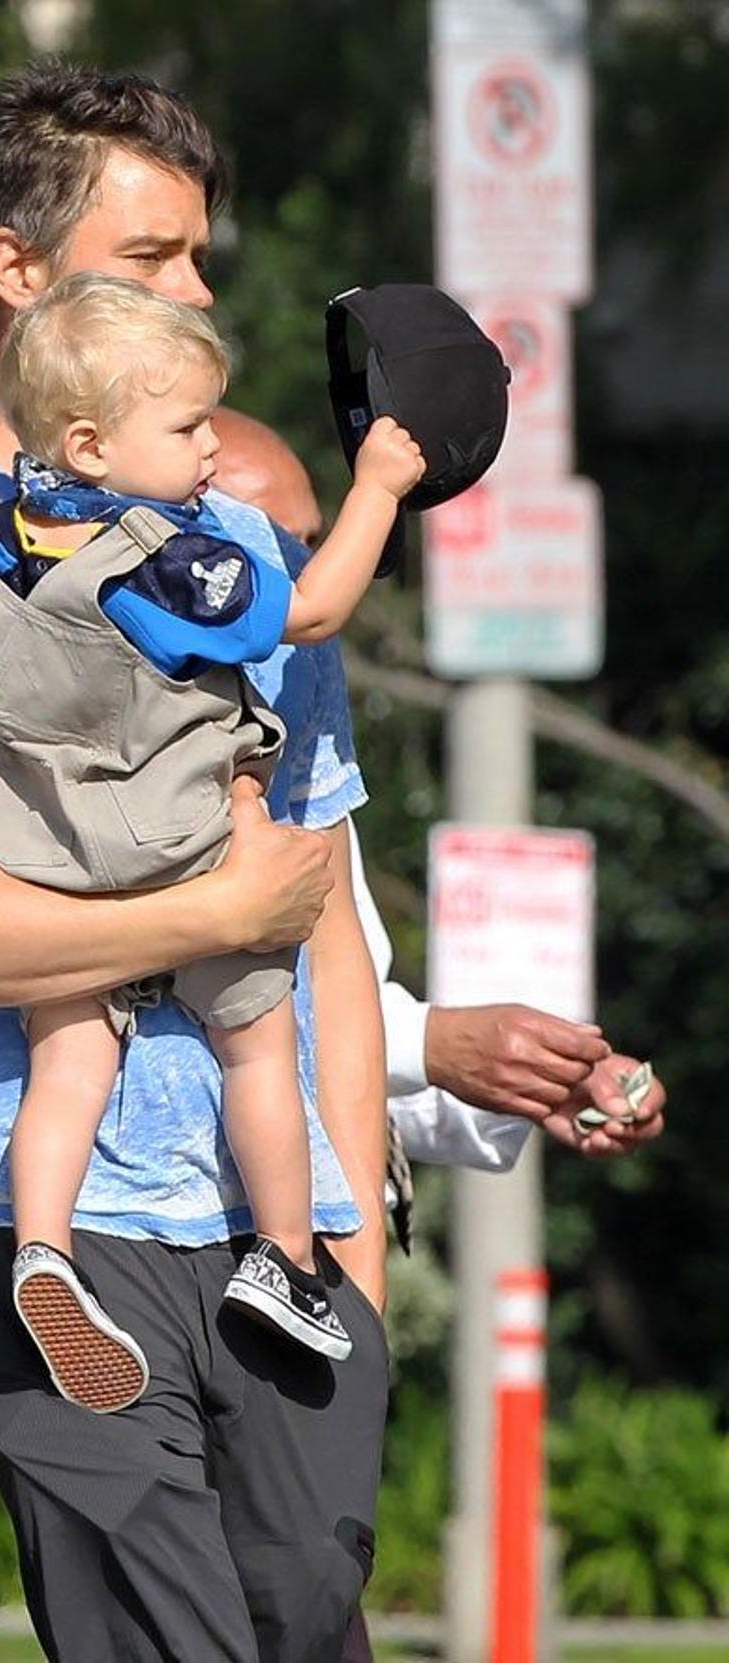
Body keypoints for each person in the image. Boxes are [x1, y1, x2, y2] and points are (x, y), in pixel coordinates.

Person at [0, 62, 662, 1660]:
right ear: (16, 269)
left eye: (202, 257)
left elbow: (318, 908)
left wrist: (349, 1227)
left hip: (275, 1226)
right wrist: (209, 911)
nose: (201, 293)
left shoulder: (237, 551)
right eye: (152, 259)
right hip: (47, 1210)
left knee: (303, 1625)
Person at [0, 273, 424, 1405]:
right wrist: (376, 486)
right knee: (259, 1054)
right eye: (186, 428)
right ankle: (282, 1260)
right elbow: (314, 609)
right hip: (184, 848)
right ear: (91, 442)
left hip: (52, 869)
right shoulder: (169, 564)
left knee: (67, 1069)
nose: (211, 452)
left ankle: (40, 1248)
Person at [211, 405, 667, 1663]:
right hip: (188, 1277)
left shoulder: (308, 749)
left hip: (316, 1287)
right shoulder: (124, 738)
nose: (321, 581)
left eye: (329, 543)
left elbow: (346, 1045)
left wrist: (516, 1079)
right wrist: (444, 1045)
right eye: (277, 549)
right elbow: (197, 1028)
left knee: (312, 1612)